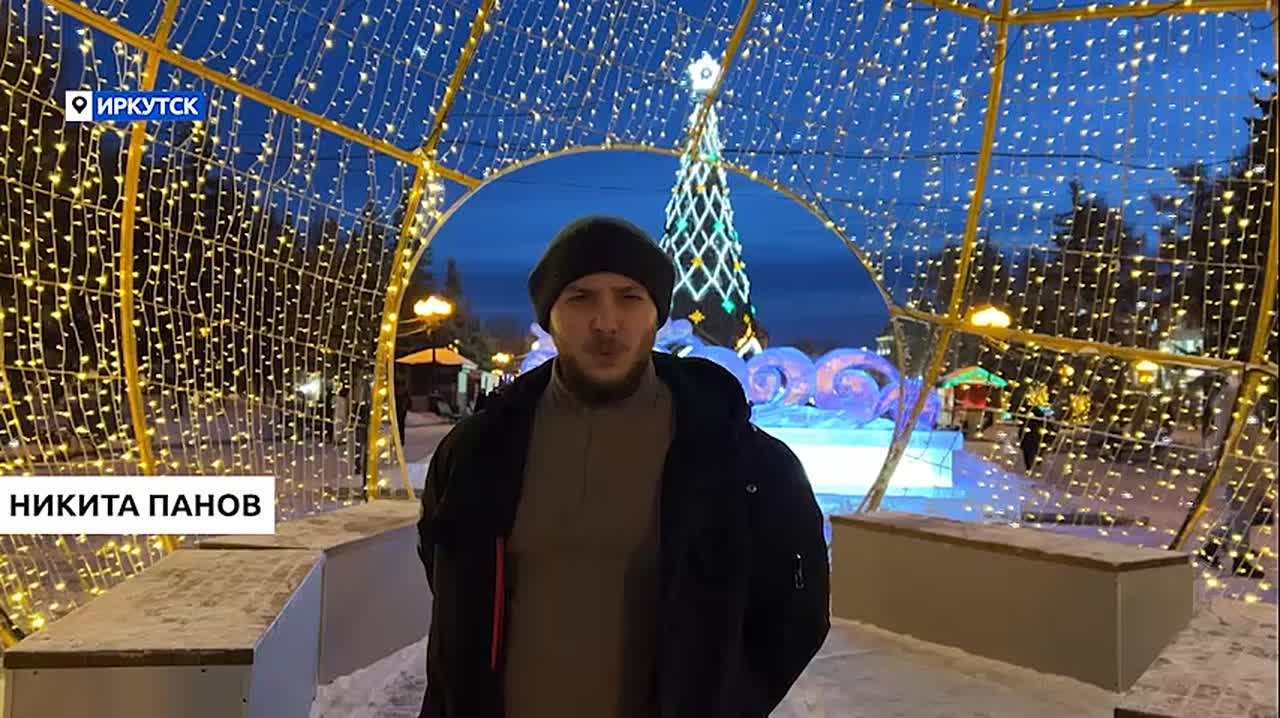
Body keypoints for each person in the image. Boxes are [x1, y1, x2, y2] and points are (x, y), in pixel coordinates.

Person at [416, 216, 830, 718]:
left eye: (630, 297)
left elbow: (797, 610)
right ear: (548, 317)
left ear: (657, 314)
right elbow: (452, 582)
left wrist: (723, 703)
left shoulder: (740, 459)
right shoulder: (476, 452)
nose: (607, 322)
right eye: (580, 297)